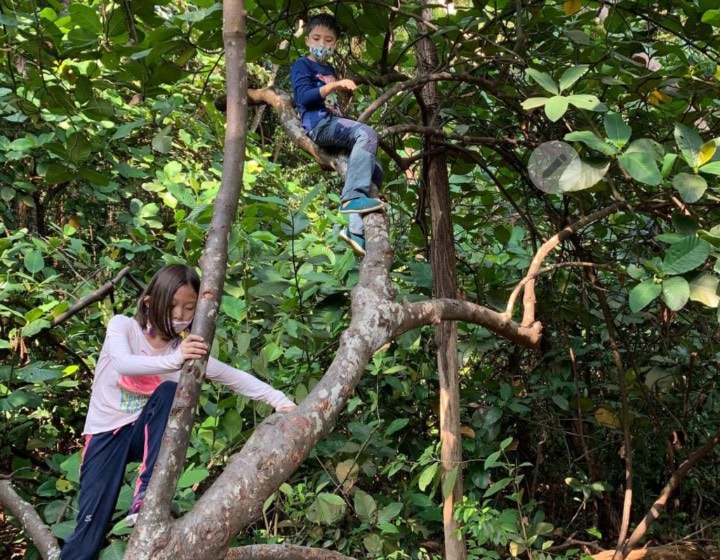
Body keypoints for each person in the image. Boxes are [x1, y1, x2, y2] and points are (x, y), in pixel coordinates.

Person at [60, 264, 296, 560]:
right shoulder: (123, 327)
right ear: (149, 301)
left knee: (169, 391)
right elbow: (123, 363)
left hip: (144, 434)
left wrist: (280, 400)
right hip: (106, 435)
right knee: (88, 532)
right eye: (172, 305)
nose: (180, 316)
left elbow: (231, 376)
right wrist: (175, 359)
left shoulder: (184, 352)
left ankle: (144, 498)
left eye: (189, 308)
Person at [290, 13, 385, 257]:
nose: (322, 44)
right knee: (368, 134)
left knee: (376, 170)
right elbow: (303, 98)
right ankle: (352, 197)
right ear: (308, 40)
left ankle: (353, 230)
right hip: (319, 124)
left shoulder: (328, 67)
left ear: (336, 43)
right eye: (317, 38)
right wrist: (334, 85)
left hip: (332, 122)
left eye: (329, 40)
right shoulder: (303, 65)